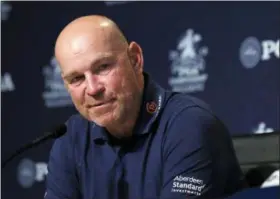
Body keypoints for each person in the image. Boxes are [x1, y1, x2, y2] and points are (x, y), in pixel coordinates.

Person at [45, 15, 246, 199]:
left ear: (135, 59)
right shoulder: (70, 139)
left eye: (103, 67)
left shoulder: (189, 125)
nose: (92, 88)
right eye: (77, 78)